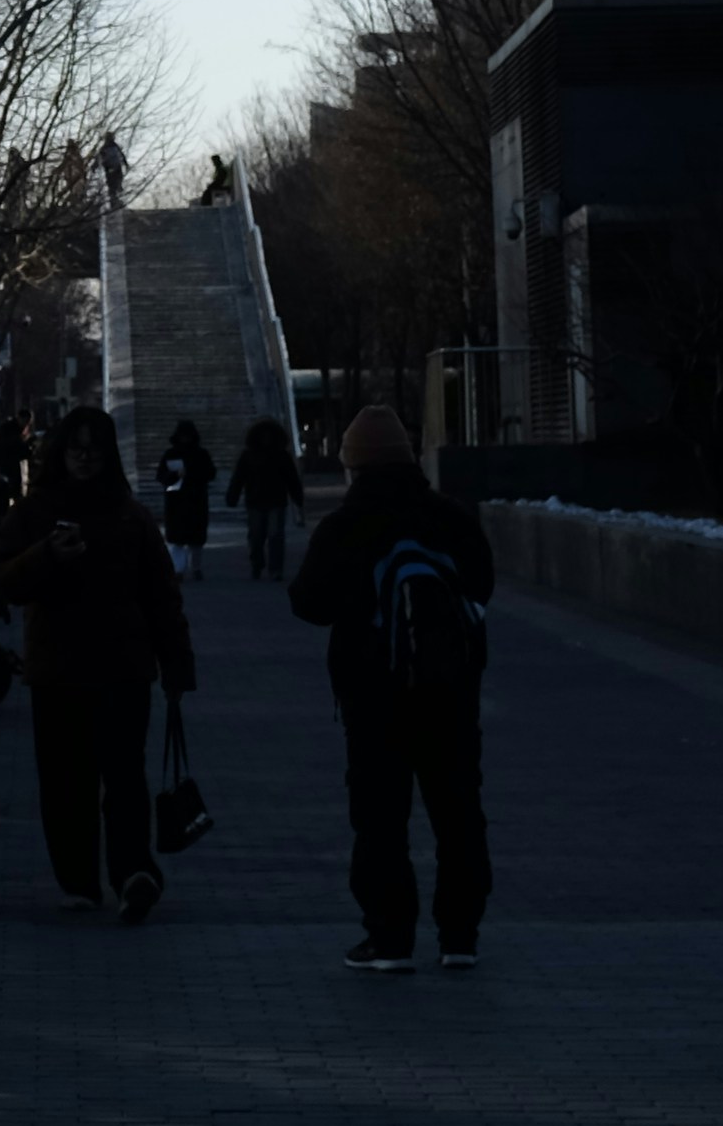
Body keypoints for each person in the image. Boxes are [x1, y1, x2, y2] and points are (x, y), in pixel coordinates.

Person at [285, 406, 493, 974]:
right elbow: (482, 584)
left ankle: (389, 938)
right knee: (458, 810)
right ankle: (460, 936)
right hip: (450, 691)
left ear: (353, 467)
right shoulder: (449, 517)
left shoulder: (346, 526)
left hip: (372, 695)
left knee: (380, 816)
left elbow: (308, 603)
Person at [0, 406, 194, 923]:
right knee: (66, 782)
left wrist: (176, 665)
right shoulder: (34, 513)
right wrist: (47, 555)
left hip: (123, 667)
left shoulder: (129, 515)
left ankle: (132, 873)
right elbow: (4, 581)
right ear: (61, 452)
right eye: (76, 449)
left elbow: (162, 596)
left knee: (124, 777)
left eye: (94, 450)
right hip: (58, 670)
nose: (84, 459)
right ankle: (79, 880)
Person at [231, 416, 304, 582]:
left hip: (275, 501)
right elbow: (238, 477)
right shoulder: (249, 455)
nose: (266, 439)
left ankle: (275, 568)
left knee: (275, 535)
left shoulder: (281, 456)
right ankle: (257, 564)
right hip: (255, 501)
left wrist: (297, 497)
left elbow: (291, 479)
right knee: (256, 536)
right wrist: (233, 495)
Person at [155, 422, 216, 579]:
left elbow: (210, 473)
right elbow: (161, 476)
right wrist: (175, 475)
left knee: (195, 540)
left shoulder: (201, 454)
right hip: (177, 501)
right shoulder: (171, 454)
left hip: (194, 500)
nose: (185, 439)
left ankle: (195, 567)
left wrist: (192, 473)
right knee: (177, 540)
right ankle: (179, 569)